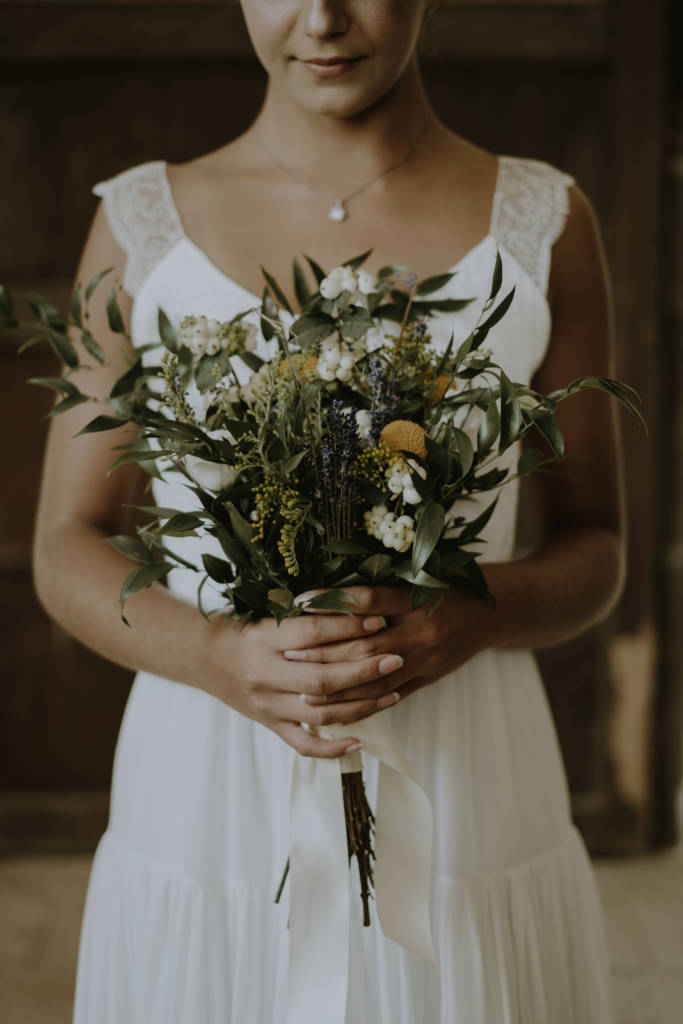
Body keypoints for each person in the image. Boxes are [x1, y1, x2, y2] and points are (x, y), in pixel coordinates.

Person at [33, 1, 623, 1021]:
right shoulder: (140, 222)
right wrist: (222, 654)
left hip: (462, 765)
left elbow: (597, 544)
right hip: (210, 764)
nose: (322, 17)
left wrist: (468, 615)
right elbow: (64, 543)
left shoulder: (547, 221)